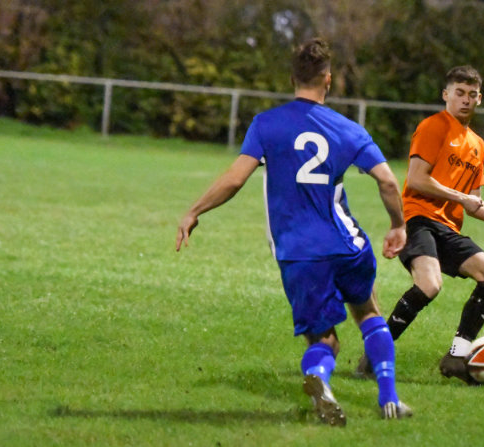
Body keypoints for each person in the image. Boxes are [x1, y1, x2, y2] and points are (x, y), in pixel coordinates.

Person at [175, 38, 412, 425]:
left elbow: (235, 179)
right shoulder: (348, 129)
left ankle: (319, 378)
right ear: (328, 79)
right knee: (368, 311)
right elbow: (387, 181)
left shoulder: (266, 124)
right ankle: (390, 399)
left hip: (298, 252)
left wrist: (194, 211)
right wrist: (398, 225)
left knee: (324, 339)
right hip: (346, 243)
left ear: (292, 79)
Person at [357, 65, 484, 385]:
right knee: (430, 285)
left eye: (472, 94)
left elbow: (474, 203)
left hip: (447, 228)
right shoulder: (433, 126)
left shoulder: (477, 144)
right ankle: (375, 354)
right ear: (446, 94)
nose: (466, 99)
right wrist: (460, 197)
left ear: (479, 99)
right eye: (459, 93)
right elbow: (417, 180)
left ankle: (457, 356)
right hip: (417, 220)